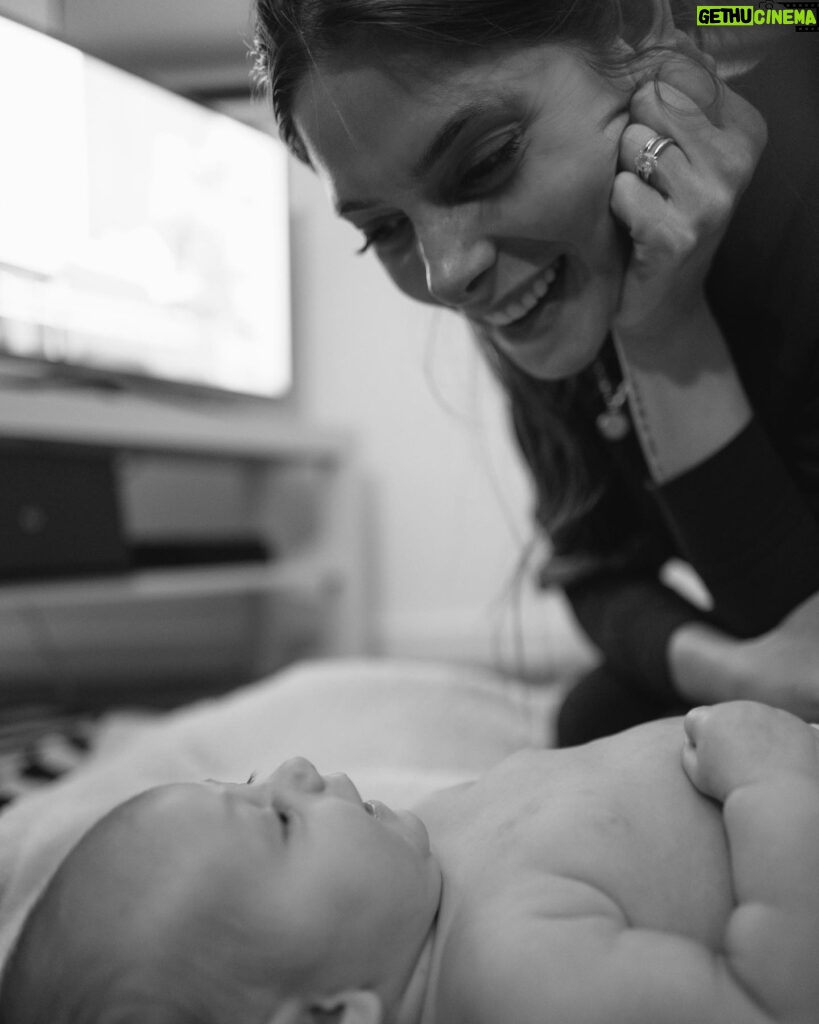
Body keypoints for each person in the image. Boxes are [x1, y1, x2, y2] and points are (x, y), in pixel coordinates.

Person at [249, 0, 819, 744]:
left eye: (484, 162)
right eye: (384, 229)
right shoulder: (555, 281)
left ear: (641, 29)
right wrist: (726, 673)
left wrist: (662, 331)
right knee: (592, 719)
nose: (447, 274)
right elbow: (593, 567)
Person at [1, 699, 818, 1024]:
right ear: (333, 1018)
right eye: (280, 822)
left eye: (250, 782)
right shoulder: (521, 978)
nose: (292, 768)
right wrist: (777, 782)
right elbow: (774, 998)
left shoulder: (407, 871)